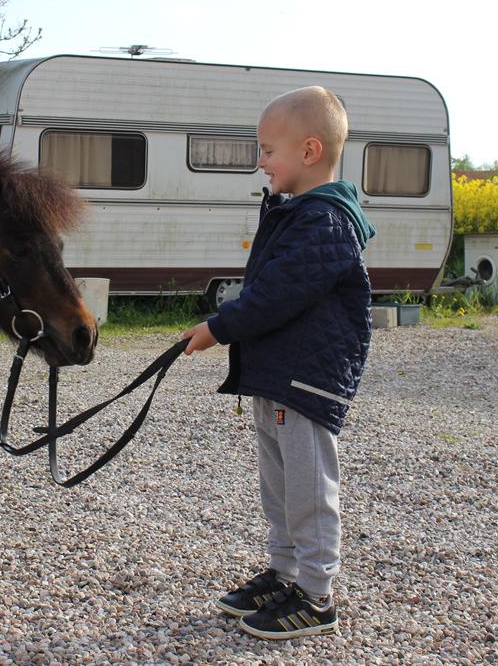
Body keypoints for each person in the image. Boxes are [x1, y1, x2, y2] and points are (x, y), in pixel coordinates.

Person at [182, 86, 375, 641]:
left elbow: (277, 294)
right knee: (279, 486)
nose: (261, 161)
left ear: (309, 151)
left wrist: (218, 328)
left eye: (268, 150)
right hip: (277, 375)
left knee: (309, 488)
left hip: (305, 379)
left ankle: (315, 596)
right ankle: (285, 573)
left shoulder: (326, 223)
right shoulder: (298, 213)